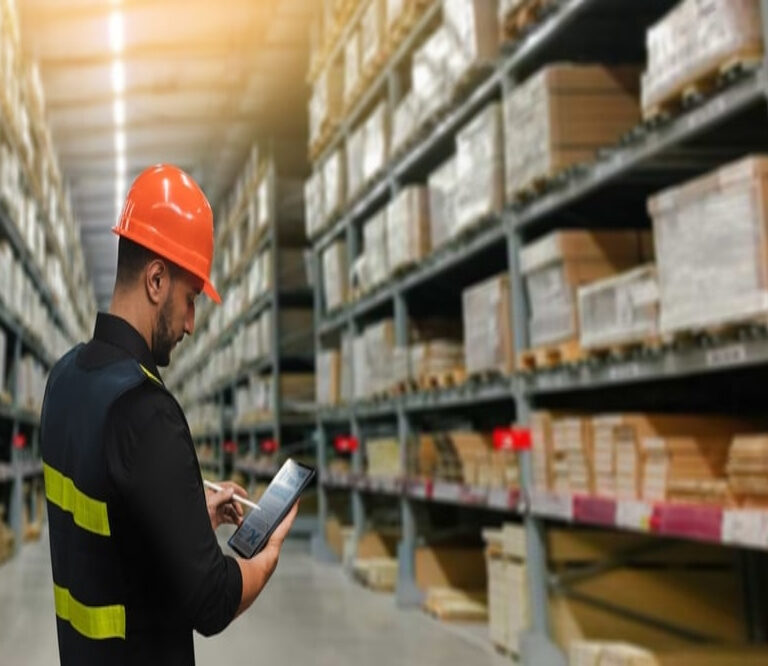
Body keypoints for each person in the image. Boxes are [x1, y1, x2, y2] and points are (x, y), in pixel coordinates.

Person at [40, 164, 298, 665]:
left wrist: (183, 517)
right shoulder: (146, 412)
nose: (191, 323)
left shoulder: (63, 379)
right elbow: (212, 600)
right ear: (156, 279)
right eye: (190, 299)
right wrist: (266, 557)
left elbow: (106, 523)